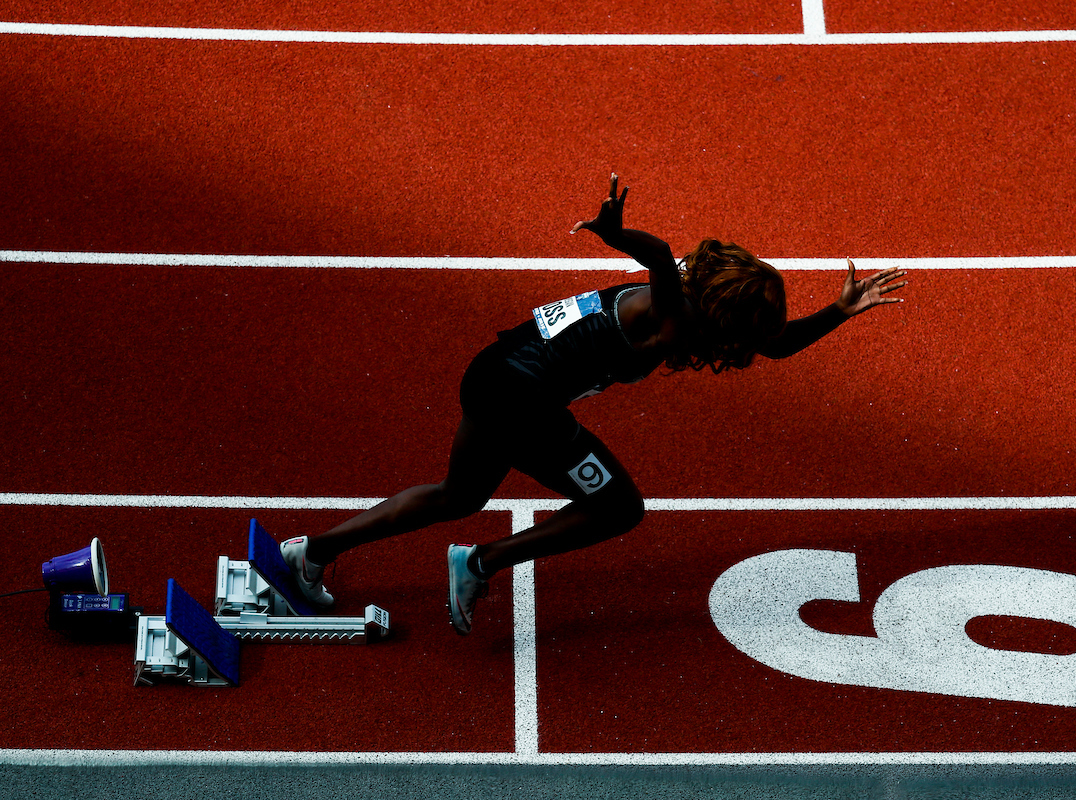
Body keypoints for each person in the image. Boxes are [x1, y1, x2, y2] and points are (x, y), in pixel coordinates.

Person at [280, 173, 907, 635]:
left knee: (457, 495)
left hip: (493, 373)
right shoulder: (668, 316)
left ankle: (311, 552)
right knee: (618, 506)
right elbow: (661, 255)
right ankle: (480, 560)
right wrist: (615, 233)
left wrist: (839, 312)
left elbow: (772, 345)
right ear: (723, 315)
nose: (746, 341)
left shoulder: (685, 301)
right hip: (523, 402)